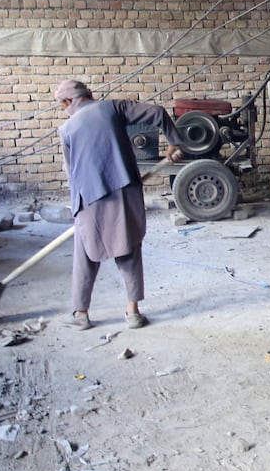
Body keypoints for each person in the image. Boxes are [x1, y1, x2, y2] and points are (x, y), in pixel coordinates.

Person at [55, 79, 185, 330]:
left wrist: (76, 210)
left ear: (68, 102)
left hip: (89, 198)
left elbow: (72, 173)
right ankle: (133, 313)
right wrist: (174, 142)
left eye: (63, 106)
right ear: (89, 95)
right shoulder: (113, 108)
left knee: (85, 253)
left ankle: (81, 314)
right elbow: (157, 112)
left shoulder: (67, 129)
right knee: (128, 247)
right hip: (125, 191)